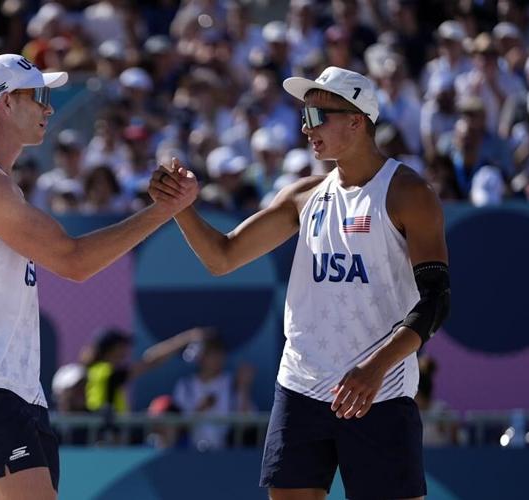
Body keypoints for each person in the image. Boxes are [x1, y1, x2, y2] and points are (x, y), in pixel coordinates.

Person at [150, 66, 450, 499]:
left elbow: (436, 302)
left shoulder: (408, 192)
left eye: (317, 116)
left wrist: (375, 368)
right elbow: (222, 256)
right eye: (303, 117)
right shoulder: (304, 195)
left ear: (356, 119)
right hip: (302, 387)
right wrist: (180, 207)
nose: (305, 128)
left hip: (378, 391)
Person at [0, 54, 197, 500]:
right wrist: (163, 211)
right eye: (40, 96)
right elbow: (74, 262)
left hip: (9, 383)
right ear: (6, 103)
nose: (49, 108)